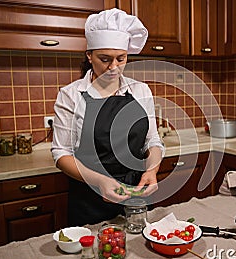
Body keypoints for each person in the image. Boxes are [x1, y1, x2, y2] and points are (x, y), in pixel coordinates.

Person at [51, 8, 164, 226]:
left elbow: (152, 141)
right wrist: (100, 181)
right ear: (89, 56)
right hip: (89, 199)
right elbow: (61, 153)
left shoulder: (141, 91)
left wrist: (152, 170)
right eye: (105, 59)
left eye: (121, 59)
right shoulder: (71, 95)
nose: (114, 67)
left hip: (136, 195)